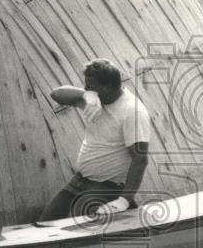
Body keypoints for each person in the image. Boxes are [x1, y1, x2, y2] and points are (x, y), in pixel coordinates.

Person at [39, 58, 150, 221]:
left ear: (108, 87)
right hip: (79, 180)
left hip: (108, 185)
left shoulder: (132, 111)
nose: (86, 88)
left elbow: (140, 159)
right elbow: (56, 94)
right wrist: (86, 95)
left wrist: (124, 200)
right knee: (46, 221)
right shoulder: (95, 101)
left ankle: (126, 211)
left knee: (82, 215)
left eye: (91, 87)